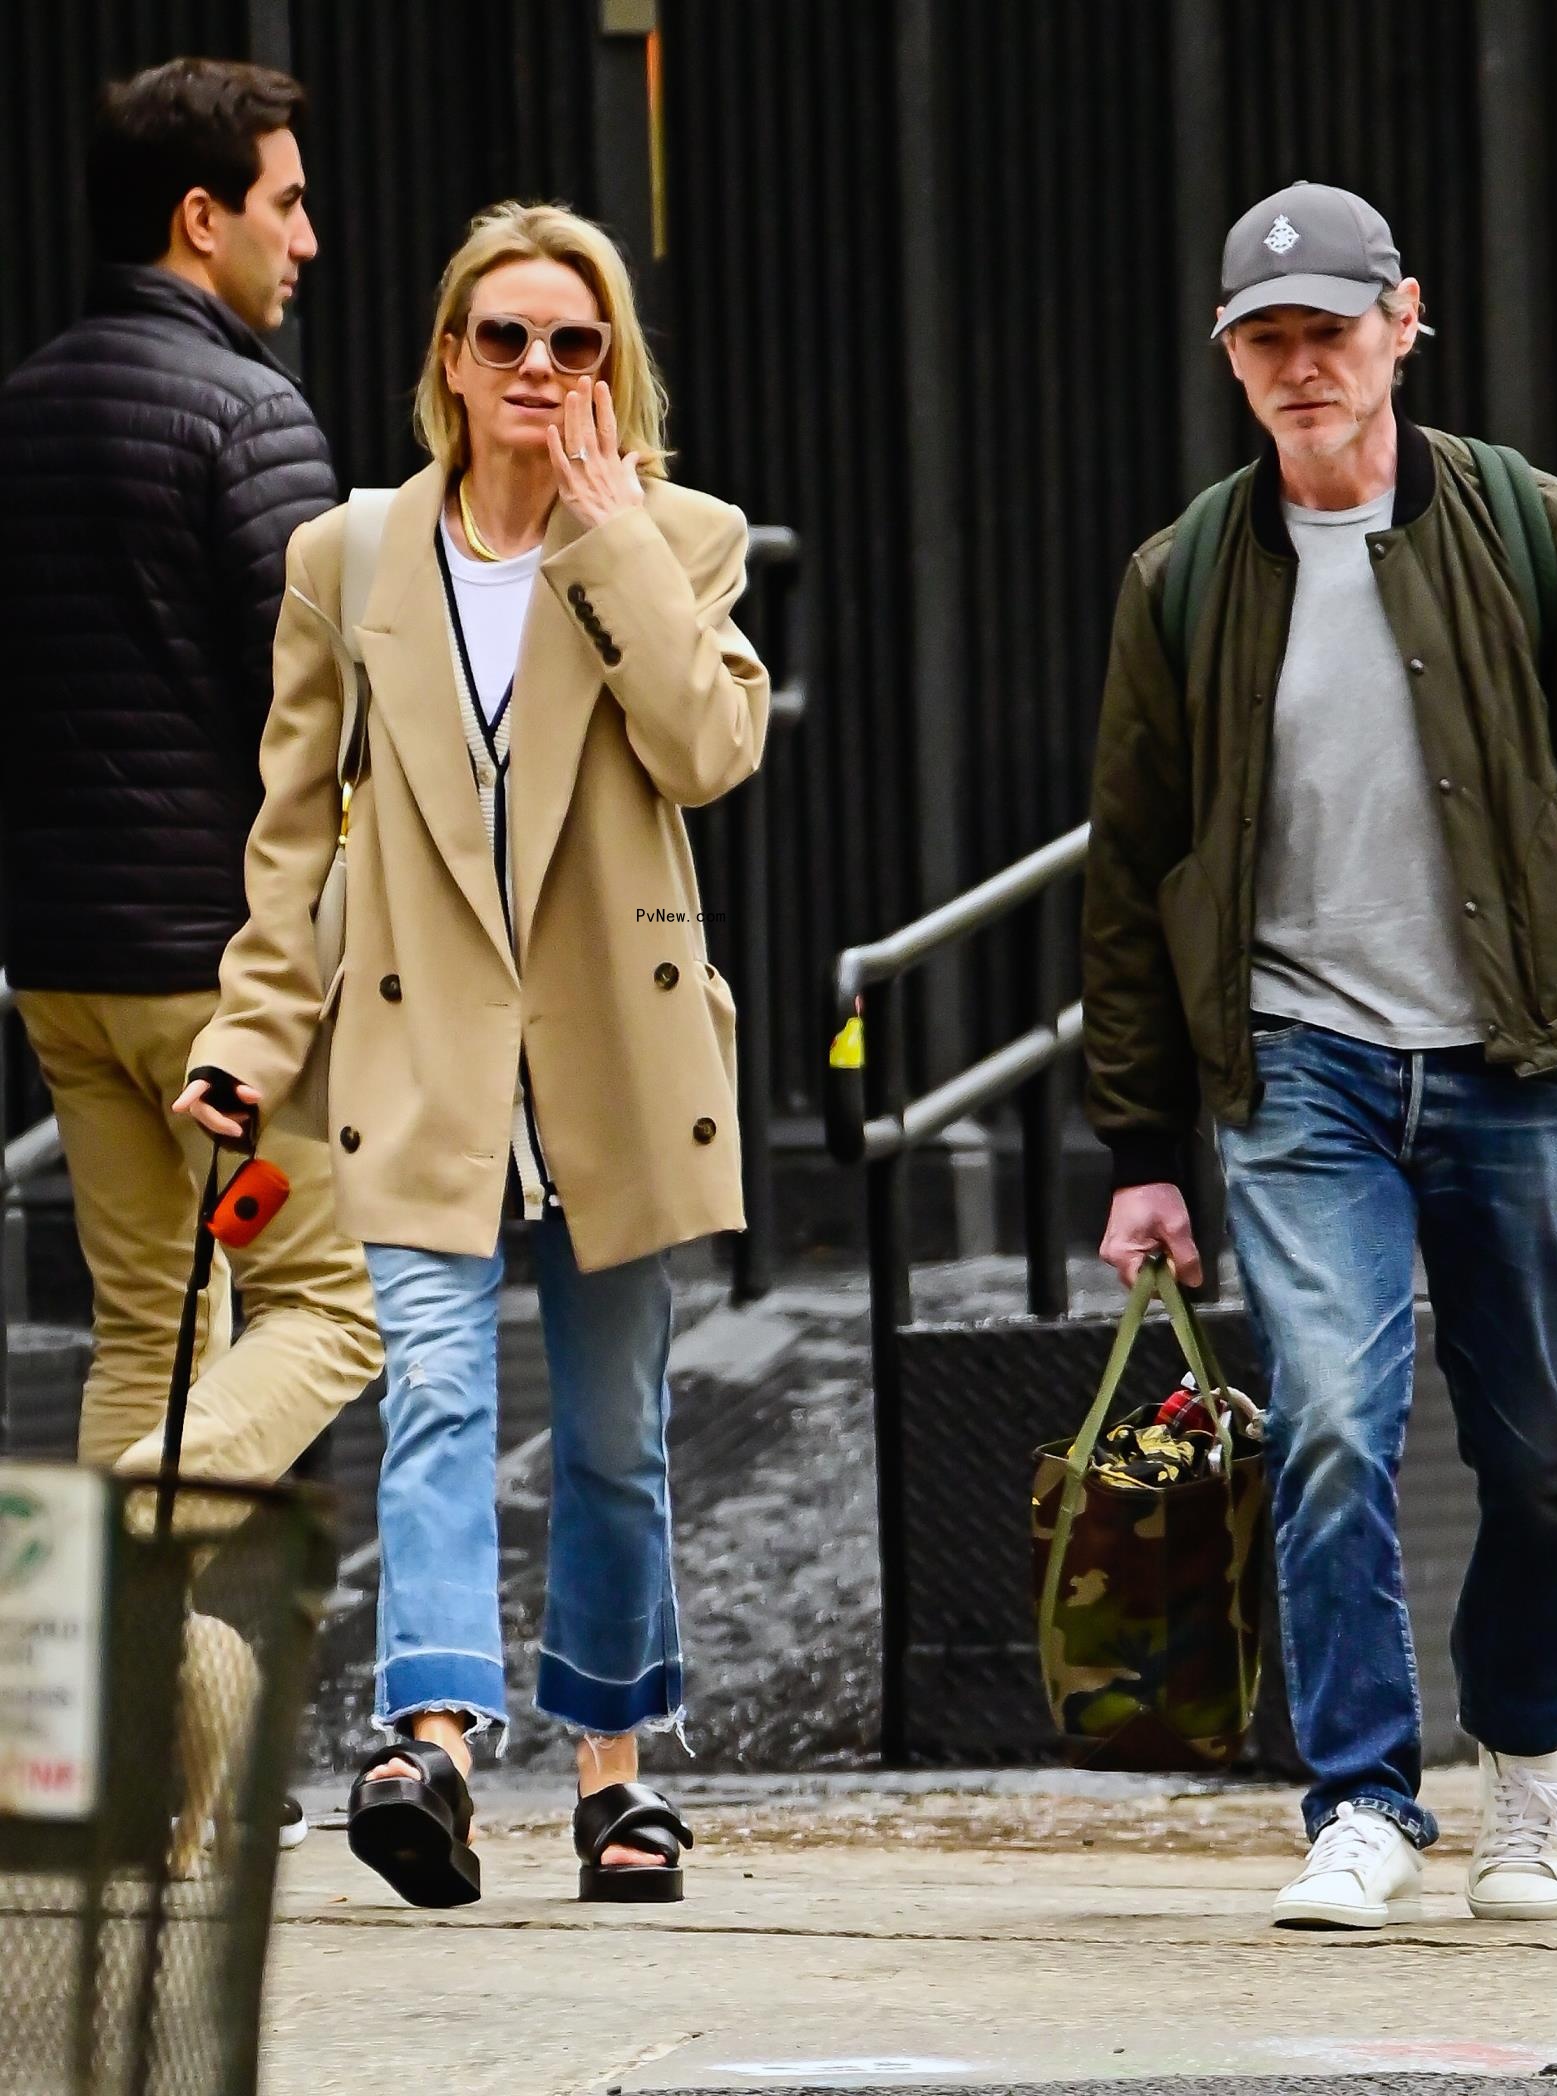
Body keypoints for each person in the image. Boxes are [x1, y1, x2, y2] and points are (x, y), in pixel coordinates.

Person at [1082, 181, 1557, 1930]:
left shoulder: (1527, 528)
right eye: (1266, 338)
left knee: (1537, 1449)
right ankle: (1363, 1798)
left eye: (1329, 328)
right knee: (1325, 1425)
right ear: (1232, 362)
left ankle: (1529, 1773)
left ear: (1404, 323)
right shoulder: (1184, 579)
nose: (1302, 364)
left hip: (1517, 1059)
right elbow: (1133, 872)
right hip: (1298, 1067)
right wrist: (1142, 1146)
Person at [178, 200, 769, 1908]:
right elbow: (291, 837)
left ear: (612, 367)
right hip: (419, 1048)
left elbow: (710, 745)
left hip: (619, 1049)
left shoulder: (684, 535)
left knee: (611, 1433)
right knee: (434, 1391)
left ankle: (610, 1775)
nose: (536, 367)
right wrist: (248, 1033)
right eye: (503, 336)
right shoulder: (349, 557)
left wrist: (609, 546)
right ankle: (430, 1742)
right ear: (448, 355)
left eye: (572, 343)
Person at [0, 58, 382, 1844]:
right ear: (199, 217)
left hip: (64, 971)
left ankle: (122, 1771)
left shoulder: (21, 408)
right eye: (287, 203)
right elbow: (311, 730)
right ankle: (101, 1557)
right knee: (325, 1309)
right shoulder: (254, 420)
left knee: (146, 1324)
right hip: (220, 984)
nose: (311, 237)